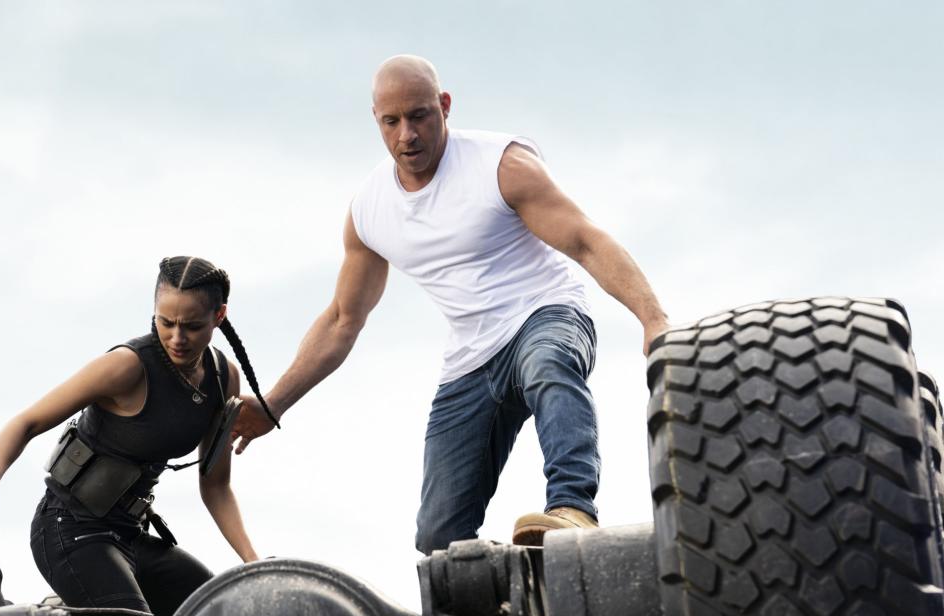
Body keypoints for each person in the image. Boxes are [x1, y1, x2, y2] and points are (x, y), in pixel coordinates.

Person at [232, 55, 670, 552]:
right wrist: (273, 404)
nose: (407, 136)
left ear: (444, 106)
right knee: (438, 539)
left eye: (419, 116)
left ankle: (572, 510)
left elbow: (586, 241)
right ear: (375, 119)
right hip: (470, 360)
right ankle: (502, 609)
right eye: (391, 122)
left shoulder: (501, 165)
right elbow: (341, 320)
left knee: (547, 363)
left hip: (545, 313)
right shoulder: (371, 210)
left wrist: (652, 318)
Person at [0, 256, 280, 616]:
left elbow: (216, 486)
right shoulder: (127, 366)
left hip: (131, 537)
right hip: (70, 531)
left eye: (192, 326)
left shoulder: (223, 378)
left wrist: (252, 562)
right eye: (165, 322)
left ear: (219, 317)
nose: (177, 337)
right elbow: (27, 422)